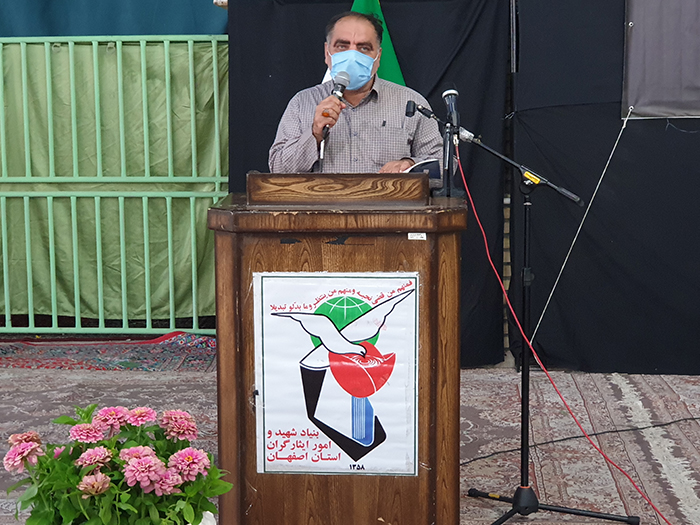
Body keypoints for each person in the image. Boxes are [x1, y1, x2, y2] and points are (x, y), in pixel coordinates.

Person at [269, 11, 442, 174]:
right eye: (342, 46)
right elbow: (278, 169)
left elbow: (444, 165)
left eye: (364, 48)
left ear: (378, 56)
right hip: (323, 197)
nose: (352, 56)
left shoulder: (410, 102)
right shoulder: (302, 103)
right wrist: (314, 133)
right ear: (327, 53)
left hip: (386, 197)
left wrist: (410, 164)